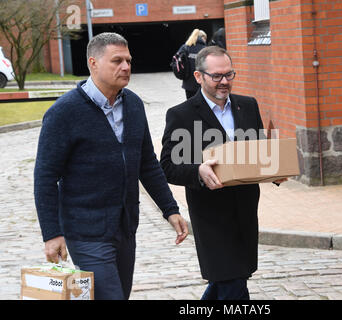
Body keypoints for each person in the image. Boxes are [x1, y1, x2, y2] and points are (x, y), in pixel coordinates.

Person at [34, 32, 188, 300]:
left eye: (128, 60)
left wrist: (169, 209)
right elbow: (45, 177)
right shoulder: (63, 113)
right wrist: (52, 234)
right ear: (93, 63)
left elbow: (147, 164)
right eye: (117, 60)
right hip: (86, 231)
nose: (126, 67)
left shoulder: (134, 105)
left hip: (126, 227)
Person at [160, 46, 286, 300]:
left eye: (229, 74)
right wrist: (198, 171)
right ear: (199, 77)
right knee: (232, 283)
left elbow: (257, 152)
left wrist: (273, 172)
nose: (224, 82)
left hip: (246, 209)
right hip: (211, 215)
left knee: (231, 278)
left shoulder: (248, 106)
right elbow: (167, 166)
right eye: (216, 76)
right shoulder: (181, 115)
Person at [177, 29, 207, 99]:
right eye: (205, 38)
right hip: (202, 83)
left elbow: (176, 61)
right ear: (202, 37)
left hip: (188, 83)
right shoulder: (205, 49)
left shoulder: (185, 47)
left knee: (190, 105)